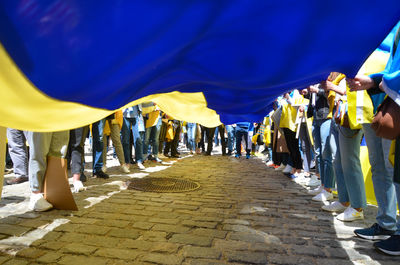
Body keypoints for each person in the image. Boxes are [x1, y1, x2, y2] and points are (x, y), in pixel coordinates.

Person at [347, 23, 400, 255]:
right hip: (381, 101)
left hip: (388, 102)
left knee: (389, 169)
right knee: (386, 168)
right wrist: (373, 81)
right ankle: (388, 224)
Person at [26, 131, 70, 211]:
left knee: (59, 152)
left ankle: (52, 192)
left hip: (61, 119)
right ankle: (36, 195)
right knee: (39, 151)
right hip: (40, 119)